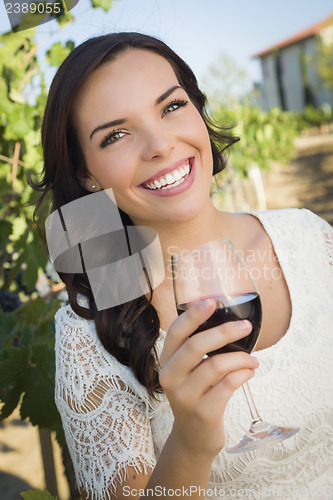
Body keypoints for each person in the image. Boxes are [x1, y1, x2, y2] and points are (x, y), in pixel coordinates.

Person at [35, 32, 333, 499]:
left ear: (198, 110)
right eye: (116, 135)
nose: (159, 144)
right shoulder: (88, 329)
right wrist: (190, 445)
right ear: (86, 175)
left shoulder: (309, 236)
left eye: (171, 106)